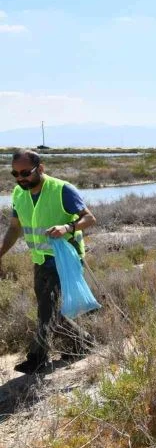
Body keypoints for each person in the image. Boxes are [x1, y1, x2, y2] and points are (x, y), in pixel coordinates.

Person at [0, 149, 96, 374]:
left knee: (46, 310)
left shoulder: (62, 189)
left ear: (40, 168)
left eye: (25, 172)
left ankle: (37, 358)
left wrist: (67, 227)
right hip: (41, 259)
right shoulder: (18, 193)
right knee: (51, 310)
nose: (20, 178)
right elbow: (15, 228)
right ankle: (83, 343)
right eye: (15, 174)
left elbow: (89, 218)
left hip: (65, 259)